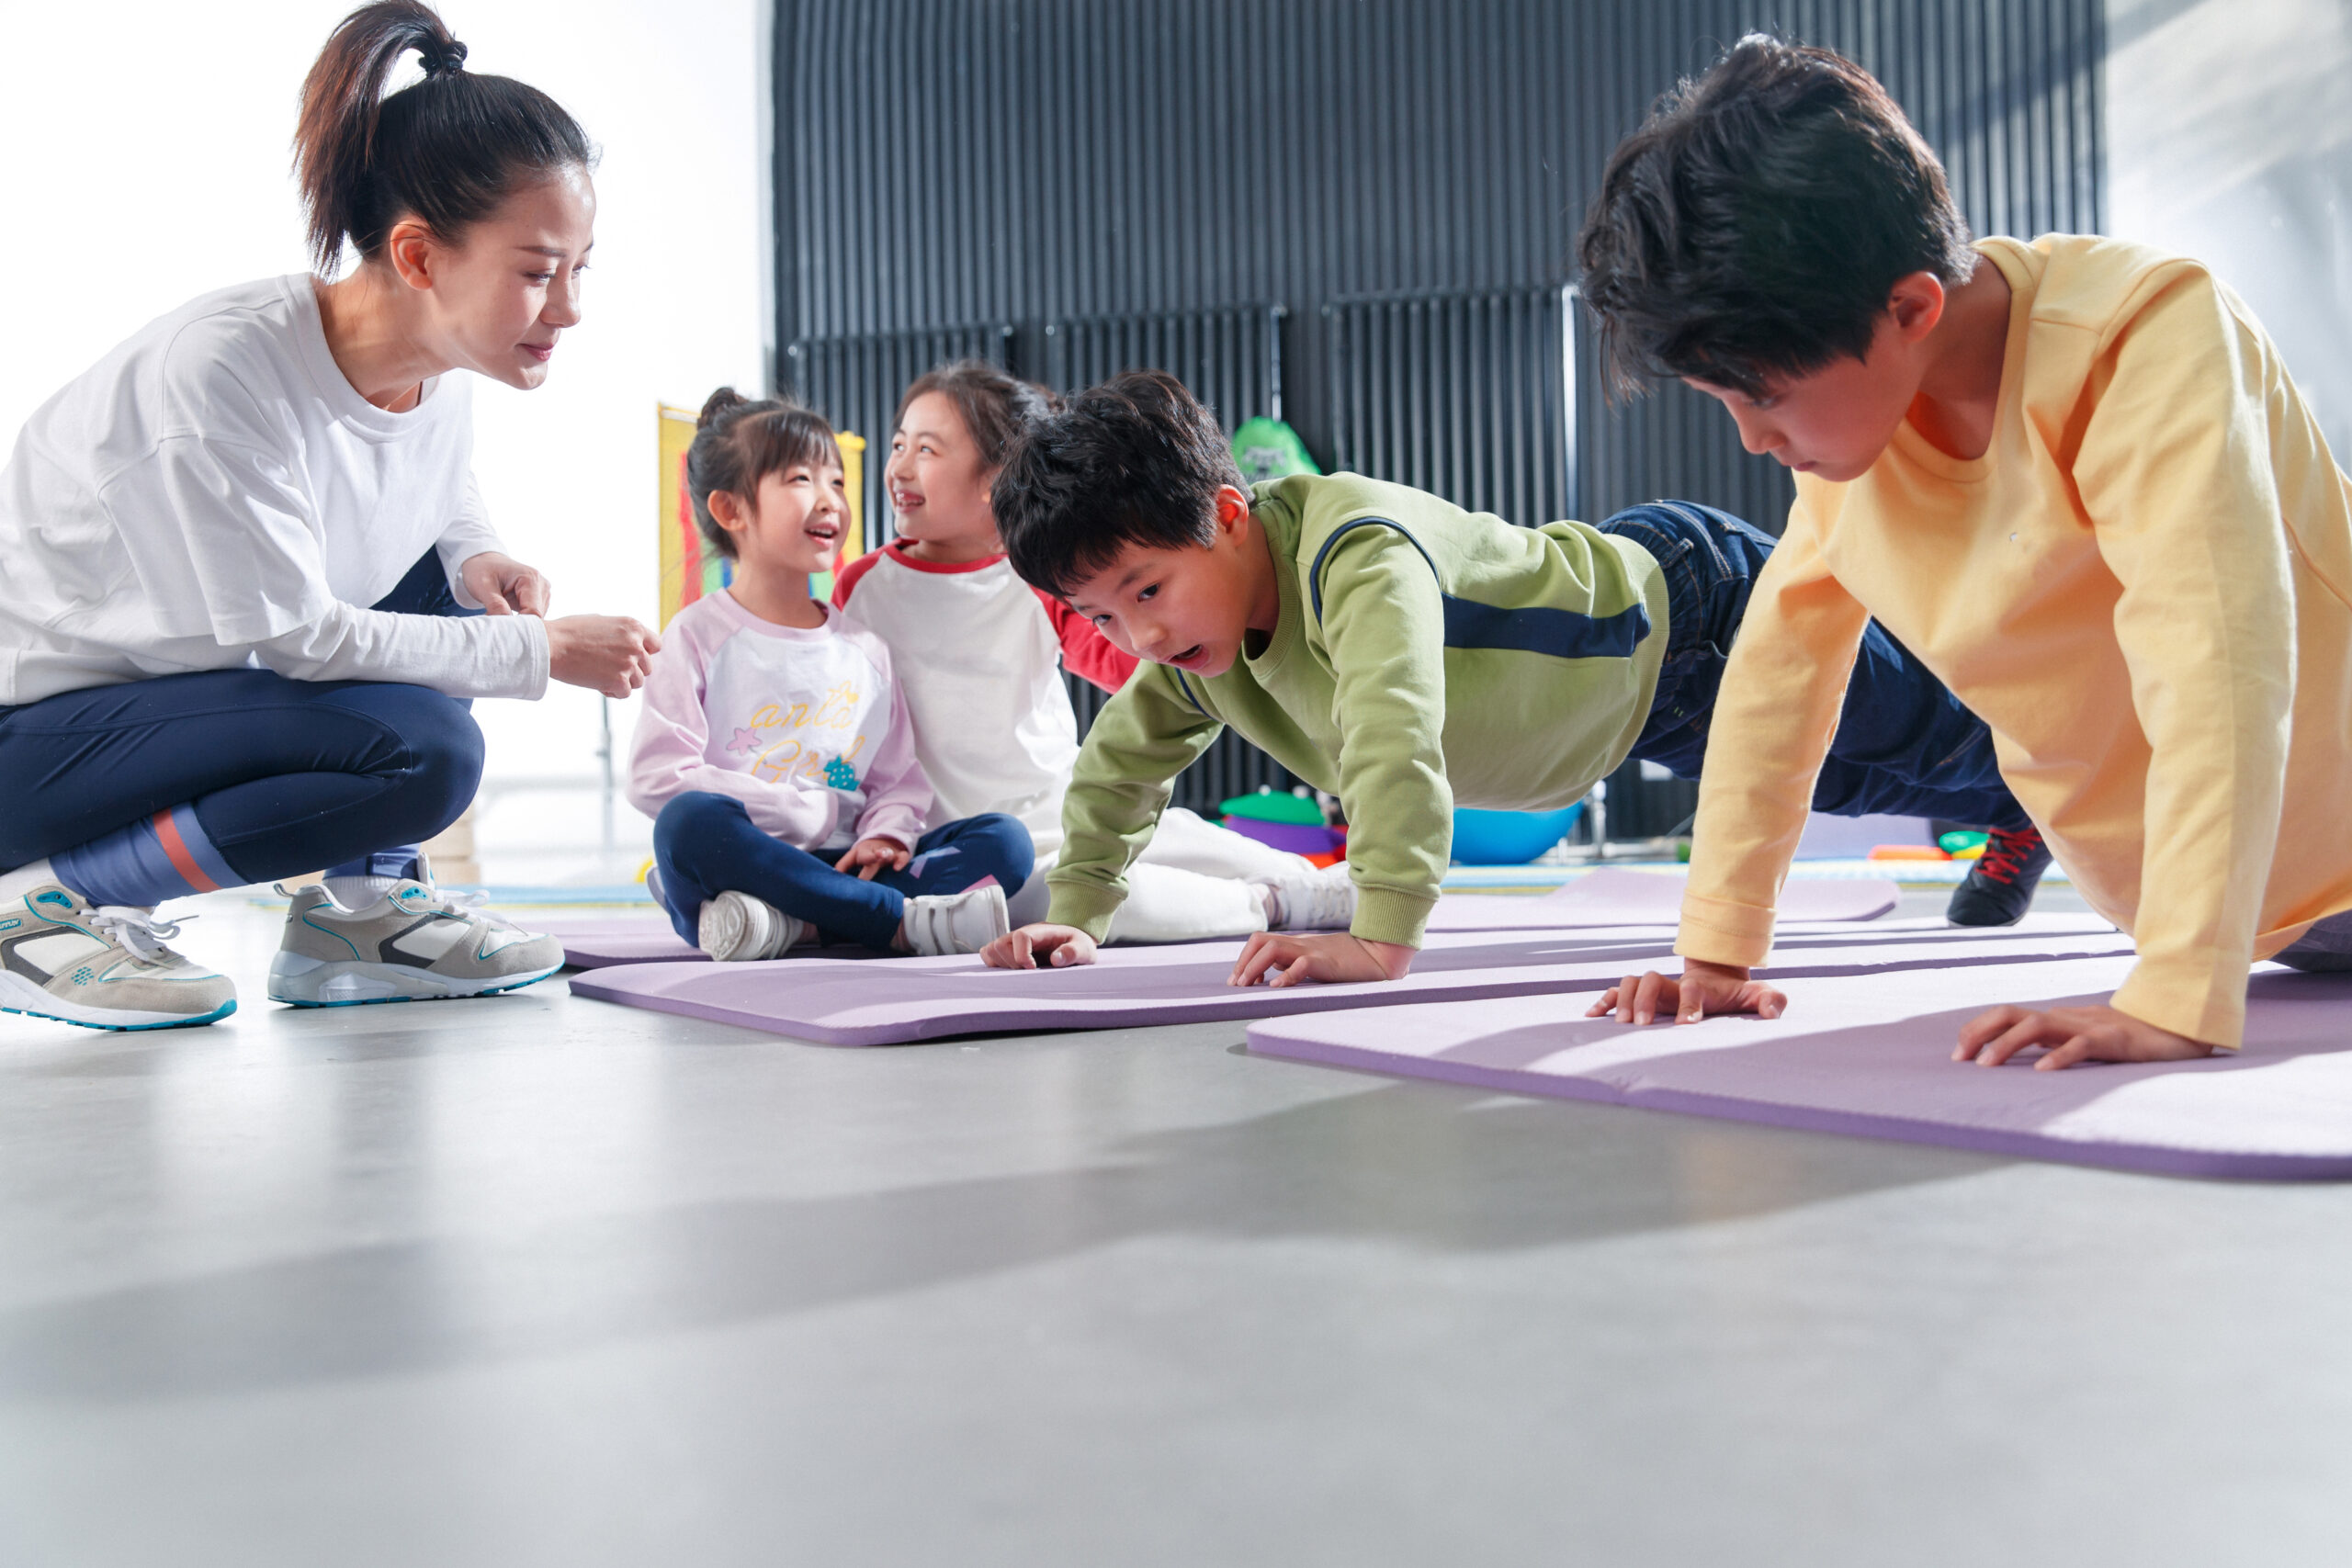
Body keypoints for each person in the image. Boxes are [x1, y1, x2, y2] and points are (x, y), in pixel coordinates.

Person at [1574, 36, 2352, 1068]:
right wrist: (1717, 951)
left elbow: (2218, 659)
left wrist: (2173, 998)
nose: (1753, 441)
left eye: (1760, 394)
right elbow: (1778, 675)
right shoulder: (1858, 447)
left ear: (1908, 308)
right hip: (2277, 917)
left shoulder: (2145, 341)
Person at [0, 1, 660, 1030]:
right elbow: (300, 637)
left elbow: (420, 474)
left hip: (182, 700)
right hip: (41, 745)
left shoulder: (435, 363)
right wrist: (538, 650)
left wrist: (473, 549)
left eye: (579, 270)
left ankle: (356, 918)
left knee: (443, 604)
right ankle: (47, 903)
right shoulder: (220, 378)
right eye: (537, 273)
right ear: (417, 256)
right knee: (424, 750)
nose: (567, 309)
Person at [976, 369, 2038, 986]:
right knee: (1844, 780)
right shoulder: (1194, 650)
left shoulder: (1355, 552)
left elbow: (1393, 731)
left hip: (1686, 609)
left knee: (1917, 728)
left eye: (1144, 590)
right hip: (1635, 715)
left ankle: (2095, 779)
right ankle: (2024, 811)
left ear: (1229, 514)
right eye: (1103, 614)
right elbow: (1121, 766)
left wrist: (1379, 934)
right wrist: (1082, 910)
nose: (1137, 636)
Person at [831, 360, 1354, 943]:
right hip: (971, 838)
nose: (899, 465)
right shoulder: (864, 586)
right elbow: (843, 711)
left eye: (926, 450)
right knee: (1067, 897)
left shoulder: (1035, 576)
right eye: (899, 443)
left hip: (1063, 806)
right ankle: (1271, 903)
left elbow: (1127, 666)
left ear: (993, 479)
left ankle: (1321, 881)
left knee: (1178, 834)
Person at [629, 390, 1030, 961]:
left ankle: (796, 926)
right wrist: (794, 809)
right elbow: (656, 779)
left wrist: (886, 833)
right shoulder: (695, 636)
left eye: (836, 482)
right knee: (686, 824)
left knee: (1005, 843)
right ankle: (890, 922)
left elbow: (896, 780)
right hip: (747, 863)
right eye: (800, 479)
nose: (829, 502)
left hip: (847, 863)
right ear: (731, 510)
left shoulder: (864, 647)